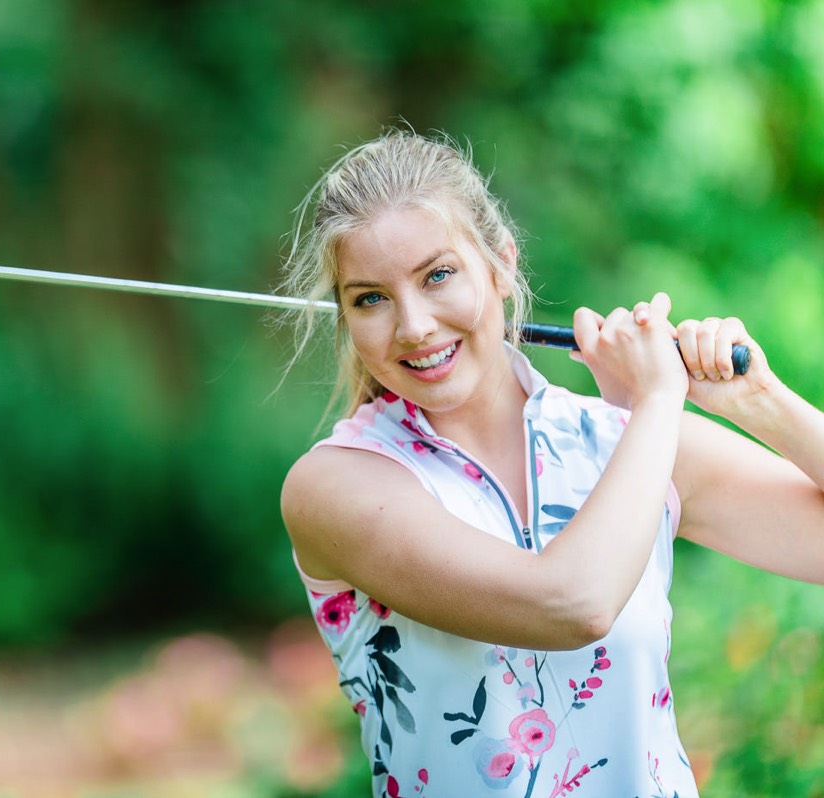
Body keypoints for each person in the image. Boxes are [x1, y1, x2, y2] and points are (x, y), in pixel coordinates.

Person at [278, 129, 824, 797]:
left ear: (501, 264)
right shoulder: (336, 486)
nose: (414, 325)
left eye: (438, 275)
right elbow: (572, 603)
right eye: (370, 298)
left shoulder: (622, 440)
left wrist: (762, 402)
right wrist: (658, 402)